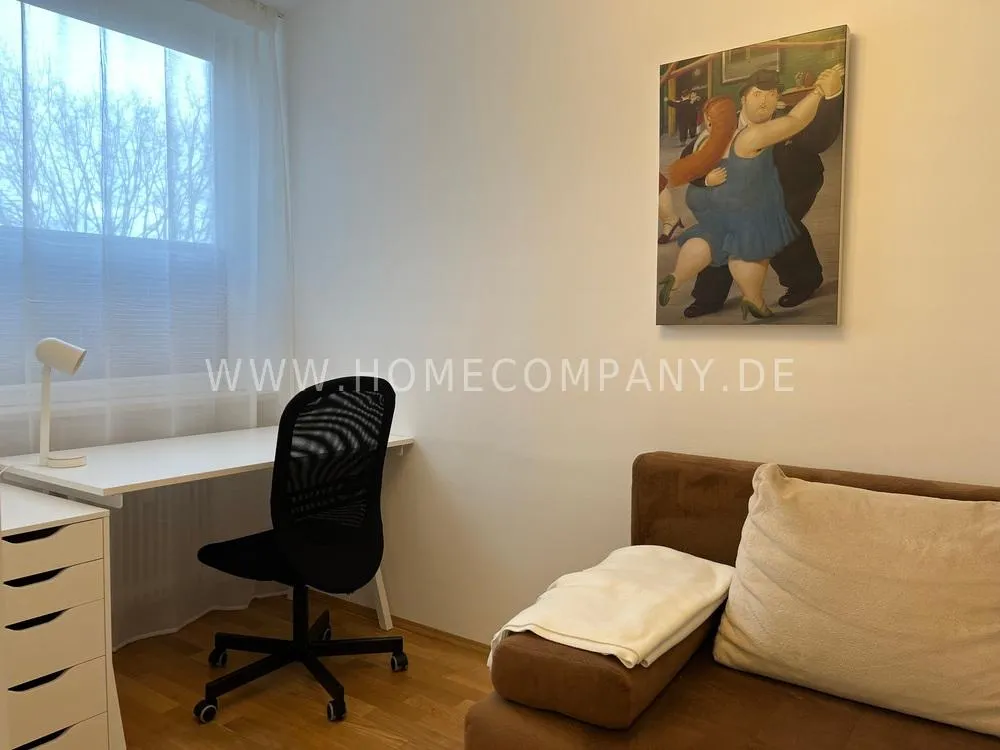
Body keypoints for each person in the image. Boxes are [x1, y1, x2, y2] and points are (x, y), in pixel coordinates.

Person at [658, 66, 842, 320]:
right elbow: (690, 159)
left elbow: (818, 139)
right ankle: (709, 297)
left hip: (792, 184)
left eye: (771, 94)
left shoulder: (785, 120)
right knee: (722, 231)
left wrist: (832, 96)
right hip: (739, 194)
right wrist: (705, 179)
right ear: (743, 98)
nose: (764, 101)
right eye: (757, 94)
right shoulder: (721, 124)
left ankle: (803, 281)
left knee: (776, 226)